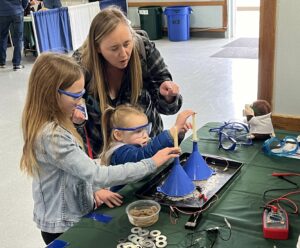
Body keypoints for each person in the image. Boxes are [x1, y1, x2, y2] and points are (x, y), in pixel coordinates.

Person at [20, 53, 180, 245]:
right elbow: (97, 174)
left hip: (76, 213)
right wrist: (152, 162)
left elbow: (75, 169)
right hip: (62, 226)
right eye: (75, 96)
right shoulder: (52, 136)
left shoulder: (60, 122)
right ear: (53, 94)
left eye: (82, 95)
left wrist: (94, 191)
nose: (81, 102)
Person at [72, 7, 183, 158]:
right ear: (97, 47)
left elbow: (169, 108)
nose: (124, 54)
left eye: (126, 44)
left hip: (149, 153)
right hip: (106, 161)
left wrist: (168, 96)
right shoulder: (79, 67)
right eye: (114, 48)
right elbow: (69, 125)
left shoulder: (143, 50)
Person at [100, 104, 194, 191]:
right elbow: (143, 155)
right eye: (138, 131)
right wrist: (172, 131)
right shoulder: (120, 153)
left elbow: (158, 149)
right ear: (118, 135)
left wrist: (177, 135)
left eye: (146, 129)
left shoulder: (141, 141)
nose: (145, 135)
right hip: (125, 197)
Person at [0, 0, 28, 70]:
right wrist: (23, 7)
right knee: (18, 38)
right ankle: (17, 64)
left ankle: (2, 62)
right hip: (17, 11)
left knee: (2, 36)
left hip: (2, 12)